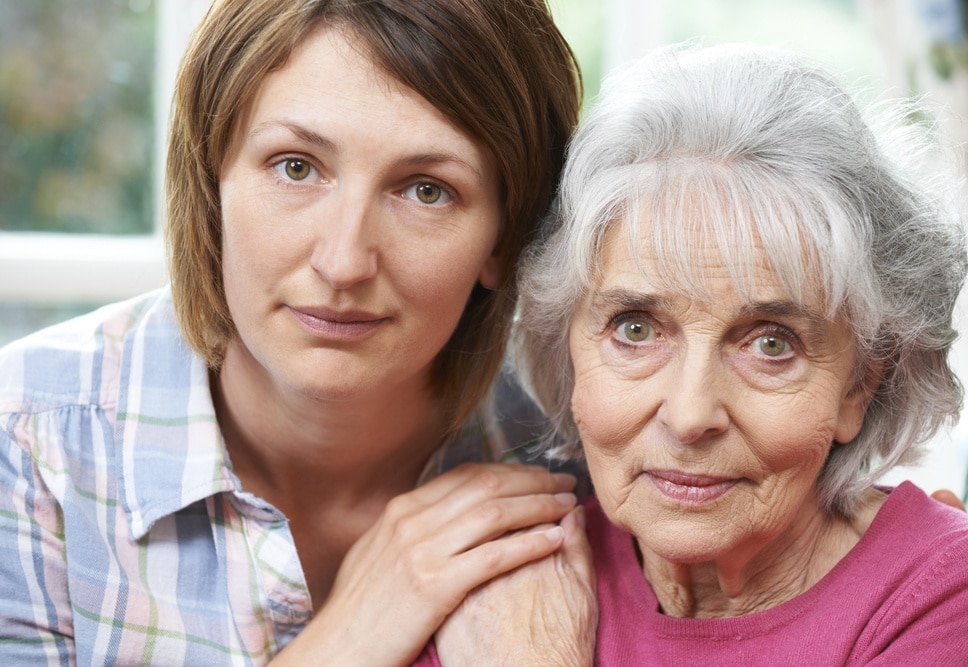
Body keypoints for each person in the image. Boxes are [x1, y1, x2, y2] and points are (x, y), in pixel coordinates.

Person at [0, 1, 596, 664]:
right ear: (211, 180)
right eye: (296, 166)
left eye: (426, 189)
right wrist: (353, 631)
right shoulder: (24, 446)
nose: (344, 262)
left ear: (505, 236)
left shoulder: (583, 447)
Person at [509, 42, 968, 664]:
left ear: (860, 384)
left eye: (771, 344)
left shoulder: (960, 594)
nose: (689, 416)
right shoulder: (509, 563)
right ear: (567, 347)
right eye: (635, 329)